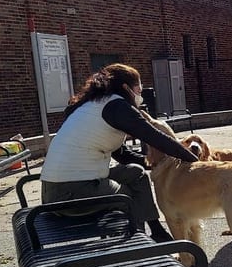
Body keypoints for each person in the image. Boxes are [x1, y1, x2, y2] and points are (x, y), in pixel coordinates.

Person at [40, 63, 198, 239]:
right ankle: (137, 243)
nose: (140, 94)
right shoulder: (117, 106)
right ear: (126, 88)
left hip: (53, 192)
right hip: (73, 194)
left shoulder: (94, 105)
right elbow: (156, 137)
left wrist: (158, 165)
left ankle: (156, 231)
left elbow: (122, 154)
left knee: (136, 174)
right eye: (138, 88)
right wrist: (195, 162)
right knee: (130, 197)